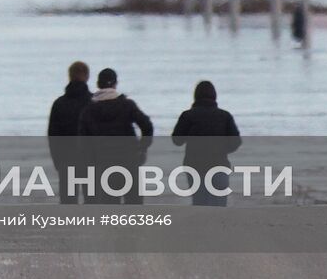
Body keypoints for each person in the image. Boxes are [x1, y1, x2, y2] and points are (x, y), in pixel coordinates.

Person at [77, 68, 153, 204]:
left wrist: (90, 163)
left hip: (104, 164)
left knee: (111, 208)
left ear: (98, 84)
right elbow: (147, 126)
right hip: (130, 161)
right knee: (134, 206)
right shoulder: (126, 105)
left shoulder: (89, 110)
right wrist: (142, 148)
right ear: (115, 84)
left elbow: (84, 143)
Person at [171, 80, 242, 207]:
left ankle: (200, 226)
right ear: (214, 96)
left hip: (194, 164)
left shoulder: (187, 116)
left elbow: (177, 140)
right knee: (219, 205)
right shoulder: (224, 116)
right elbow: (236, 141)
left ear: (195, 96)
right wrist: (222, 150)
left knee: (199, 204)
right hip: (219, 163)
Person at [46, 61, 92, 204]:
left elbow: (53, 136)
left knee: (68, 204)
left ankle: (69, 226)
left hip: (66, 160)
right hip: (91, 160)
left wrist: (57, 160)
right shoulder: (93, 102)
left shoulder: (59, 104)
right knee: (93, 202)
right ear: (87, 77)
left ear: (69, 76)